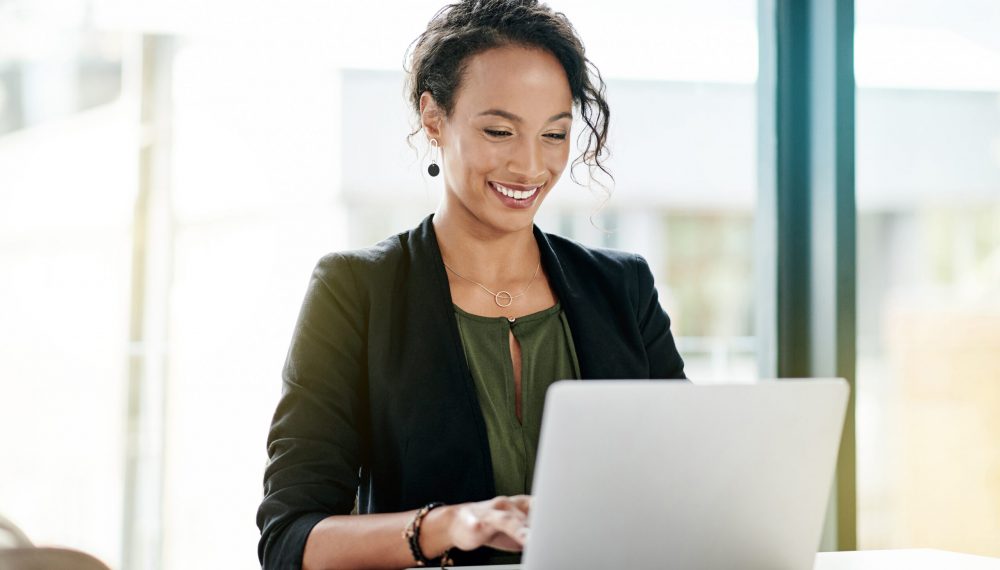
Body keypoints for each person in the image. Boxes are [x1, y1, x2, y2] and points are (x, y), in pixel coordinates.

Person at [256, 1, 686, 568]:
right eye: (500, 130)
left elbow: (685, 487)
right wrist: (446, 525)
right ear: (433, 119)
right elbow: (291, 538)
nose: (531, 167)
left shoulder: (622, 288)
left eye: (555, 134)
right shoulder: (356, 291)